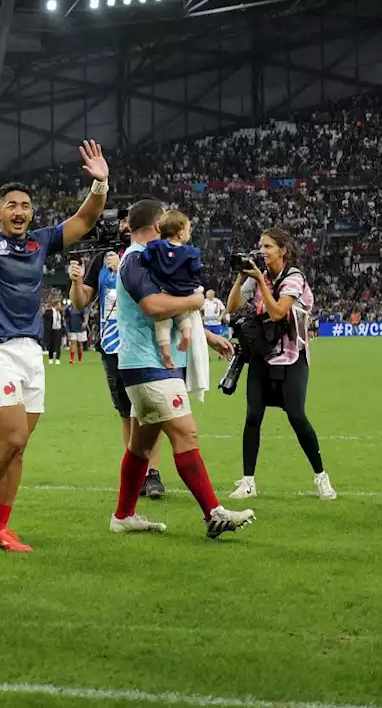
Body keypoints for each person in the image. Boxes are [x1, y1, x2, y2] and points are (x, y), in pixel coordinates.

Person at [0, 141, 110, 553]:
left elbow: (84, 220)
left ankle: (0, 527)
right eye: (11, 204)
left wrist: (100, 185)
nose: (19, 211)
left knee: (18, 448)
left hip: (32, 353)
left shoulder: (41, 242)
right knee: (11, 438)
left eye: (25, 206)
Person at [113, 233, 255, 538]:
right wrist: (195, 300)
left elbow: (171, 303)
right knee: (185, 433)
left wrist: (208, 336)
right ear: (154, 225)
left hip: (153, 364)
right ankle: (213, 513)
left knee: (141, 444)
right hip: (150, 364)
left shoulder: (151, 257)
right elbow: (155, 305)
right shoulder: (138, 258)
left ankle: (123, 516)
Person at [225, 226, 335, 500]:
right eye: (260, 247)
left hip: (292, 357)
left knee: (297, 416)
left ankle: (321, 476)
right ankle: (248, 481)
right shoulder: (259, 276)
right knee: (253, 417)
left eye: (267, 247)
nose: (262, 252)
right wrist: (241, 279)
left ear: (282, 250)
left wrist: (262, 284)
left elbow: (277, 312)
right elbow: (232, 307)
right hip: (262, 355)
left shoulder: (294, 278)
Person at [68, 200, 168, 499]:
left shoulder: (150, 255)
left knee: (151, 412)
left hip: (146, 344)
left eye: (128, 221)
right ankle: (135, 472)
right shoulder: (101, 259)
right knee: (126, 413)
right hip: (113, 346)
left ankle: (153, 472)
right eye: (121, 221)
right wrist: (75, 282)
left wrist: (123, 268)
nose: (124, 226)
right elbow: (80, 301)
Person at [140, 210, 203, 370]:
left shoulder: (155, 248)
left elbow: (145, 259)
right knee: (184, 316)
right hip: (183, 294)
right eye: (189, 230)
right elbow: (196, 269)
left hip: (164, 293)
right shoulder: (190, 252)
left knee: (161, 323)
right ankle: (186, 335)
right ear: (181, 234)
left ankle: (166, 354)